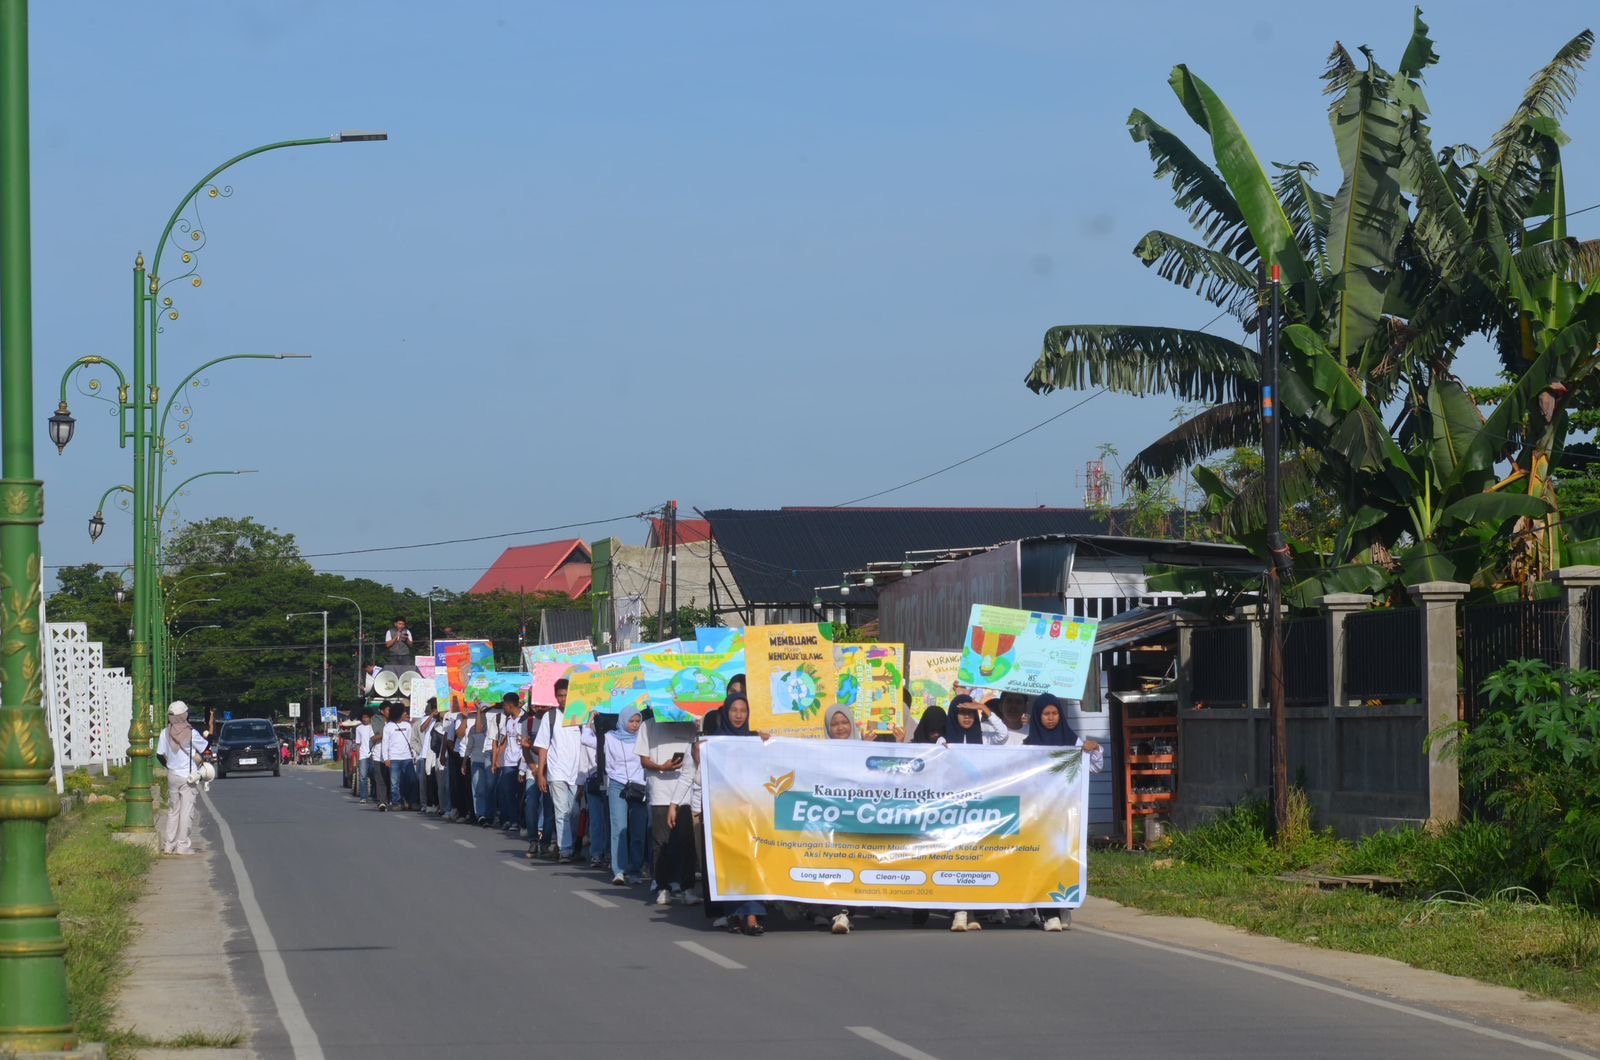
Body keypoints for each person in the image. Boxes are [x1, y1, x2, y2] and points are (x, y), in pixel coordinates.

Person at [1024, 692, 1104, 932]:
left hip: (1066, 814)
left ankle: (1062, 906)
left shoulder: (1072, 742)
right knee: (1042, 859)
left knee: (1064, 858)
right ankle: (1049, 914)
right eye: (1045, 714)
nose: (1050, 718)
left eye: (1054, 713)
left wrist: (1095, 748)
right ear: (1038, 717)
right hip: (1039, 815)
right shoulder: (1027, 747)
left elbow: (1095, 767)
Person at [707, 694, 765, 936]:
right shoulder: (716, 742)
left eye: (743, 710)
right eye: (734, 710)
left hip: (754, 811)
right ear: (726, 713)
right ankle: (734, 913)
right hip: (726, 812)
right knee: (730, 861)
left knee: (753, 860)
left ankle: (751, 914)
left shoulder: (756, 739)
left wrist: (767, 743)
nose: (739, 715)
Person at [636, 711, 698, 906]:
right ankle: (664, 887)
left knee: (686, 842)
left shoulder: (688, 724)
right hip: (660, 793)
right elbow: (643, 759)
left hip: (685, 793)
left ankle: (687, 887)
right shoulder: (648, 725)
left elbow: (695, 756)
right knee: (661, 843)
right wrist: (662, 766)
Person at [533, 682, 584, 863]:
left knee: (574, 812)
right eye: (559, 695)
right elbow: (543, 747)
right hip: (556, 771)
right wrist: (541, 774)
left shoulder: (582, 715)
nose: (563, 699)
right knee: (561, 811)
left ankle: (569, 844)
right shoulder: (550, 716)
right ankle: (566, 850)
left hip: (577, 773)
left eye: (565, 695)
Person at [605, 704, 649, 885]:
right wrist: (618, 779)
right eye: (631, 721)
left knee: (638, 830)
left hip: (639, 787)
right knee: (619, 828)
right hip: (618, 786)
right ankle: (619, 870)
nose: (635, 725)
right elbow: (608, 764)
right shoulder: (610, 737)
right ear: (623, 720)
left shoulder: (644, 738)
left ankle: (635, 869)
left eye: (638, 721)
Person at [155, 701, 207, 855]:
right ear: (185, 715)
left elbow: (159, 755)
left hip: (172, 775)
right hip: (188, 777)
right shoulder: (191, 733)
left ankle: (169, 845)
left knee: (173, 811)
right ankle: (182, 845)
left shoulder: (165, 732)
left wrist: (170, 766)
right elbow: (204, 748)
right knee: (186, 812)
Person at [578, 713, 610, 870]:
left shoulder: (609, 740)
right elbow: (584, 739)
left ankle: (603, 854)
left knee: (604, 821)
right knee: (598, 821)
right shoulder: (600, 740)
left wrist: (590, 719)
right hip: (595, 783)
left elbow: (584, 737)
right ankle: (598, 854)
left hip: (608, 782)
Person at [493, 693, 526, 833]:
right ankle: (512, 820)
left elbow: (525, 743)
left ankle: (522, 821)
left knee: (521, 794)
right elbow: (505, 740)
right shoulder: (508, 720)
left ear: (510, 705)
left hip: (520, 761)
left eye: (504, 705)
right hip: (508, 761)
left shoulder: (524, 719)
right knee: (507, 792)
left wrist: (523, 766)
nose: (503, 708)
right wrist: (496, 760)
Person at [381, 704, 417, 811]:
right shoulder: (388, 727)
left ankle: (412, 801)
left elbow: (411, 741)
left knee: (412, 780)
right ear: (398, 713)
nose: (405, 713)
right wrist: (386, 758)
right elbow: (385, 743)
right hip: (394, 758)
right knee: (395, 782)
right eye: (403, 712)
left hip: (407, 758)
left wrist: (413, 754)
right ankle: (396, 802)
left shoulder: (408, 726)